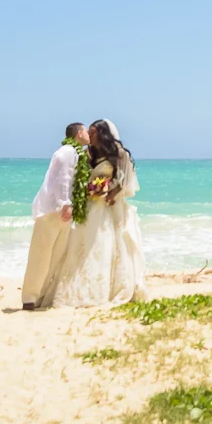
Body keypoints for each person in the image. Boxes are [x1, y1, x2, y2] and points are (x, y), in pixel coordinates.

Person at [44, 118, 148, 307]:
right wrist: (89, 190)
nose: (89, 136)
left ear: (102, 133)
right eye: (88, 132)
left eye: (92, 132)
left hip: (110, 205)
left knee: (107, 243)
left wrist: (110, 191)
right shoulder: (88, 153)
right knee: (81, 243)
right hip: (91, 204)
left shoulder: (119, 154)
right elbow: (80, 177)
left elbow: (125, 180)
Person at [20, 122, 86, 310]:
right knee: (40, 253)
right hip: (52, 210)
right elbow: (62, 179)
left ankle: (41, 294)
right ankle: (29, 298)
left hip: (63, 211)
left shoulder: (76, 153)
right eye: (86, 131)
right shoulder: (66, 152)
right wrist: (65, 204)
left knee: (56, 255)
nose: (89, 135)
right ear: (79, 134)